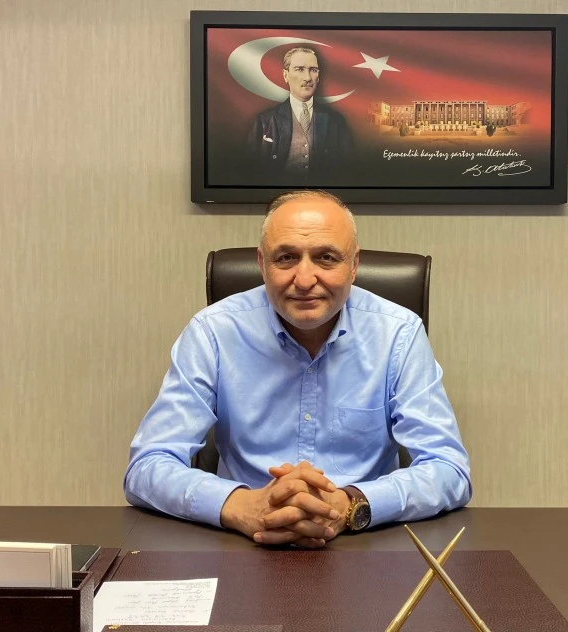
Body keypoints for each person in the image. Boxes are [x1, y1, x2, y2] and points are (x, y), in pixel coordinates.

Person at [124, 190, 471, 548]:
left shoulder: (398, 333)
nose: (304, 280)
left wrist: (350, 504)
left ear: (354, 265)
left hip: (362, 541)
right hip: (243, 541)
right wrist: (240, 505)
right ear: (262, 264)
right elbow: (148, 466)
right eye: (286, 257)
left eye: (326, 258)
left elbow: (449, 469)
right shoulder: (213, 332)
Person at [246, 48, 354, 182]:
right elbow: (251, 172)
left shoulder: (335, 121)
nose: (307, 78)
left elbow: (347, 171)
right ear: (285, 75)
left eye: (313, 70)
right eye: (299, 69)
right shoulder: (264, 122)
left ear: (318, 76)